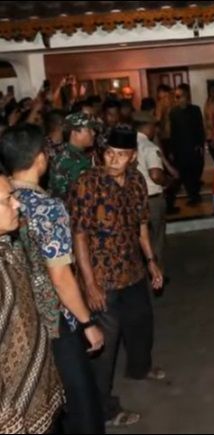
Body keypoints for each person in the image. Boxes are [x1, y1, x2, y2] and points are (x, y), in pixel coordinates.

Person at [0, 125, 105, 434]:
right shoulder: (47, 207)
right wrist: (87, 322)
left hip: (28, 323)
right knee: (81, 400)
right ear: (41, 159)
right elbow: (59, 276)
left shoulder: (11, 198)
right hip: (56, 319)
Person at [69, 126, 165, 428]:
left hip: (132, 269)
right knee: (104, 347)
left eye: (120, 155)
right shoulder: (88, 183)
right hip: (103, 275)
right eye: (109, 153)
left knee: (141, 322)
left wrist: (151, 262)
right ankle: (104, 408)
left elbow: (141, 227)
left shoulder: (136, 181)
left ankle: (139, 367)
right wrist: (89, 283)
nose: (113, 160)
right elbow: (80, 236)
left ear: (132, 157)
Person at [0, 168, 64, 434]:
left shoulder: (7, 247)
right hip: (16, 418)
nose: (17, 204)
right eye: (6, 200)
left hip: (37, 400)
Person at [135, 111, 177, 272]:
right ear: (148, 127)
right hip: (152, 199)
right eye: (154, 127)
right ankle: (157, 271)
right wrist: (167, 183)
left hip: (135, 199)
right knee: (156, 238)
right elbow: (155, 175)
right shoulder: (149, 147)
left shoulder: (127, 144)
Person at [168, 83, 206, 207]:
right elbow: (173, 132)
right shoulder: (173, 112)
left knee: (195, 172)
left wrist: (200, 145)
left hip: (194, 148)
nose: (178, 99)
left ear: (186, 96)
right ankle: (192, 195)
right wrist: (172, 150)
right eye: (176, 97)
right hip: (180, 149)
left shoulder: (195, 110)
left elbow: (200, 129)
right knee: (184, 173)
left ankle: (195, 194)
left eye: (180, 96)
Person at [48, 113, 97, 200]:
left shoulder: (81, 154)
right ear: (75, 133)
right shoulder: (67, 160)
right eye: (89, 130)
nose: (93, 133)